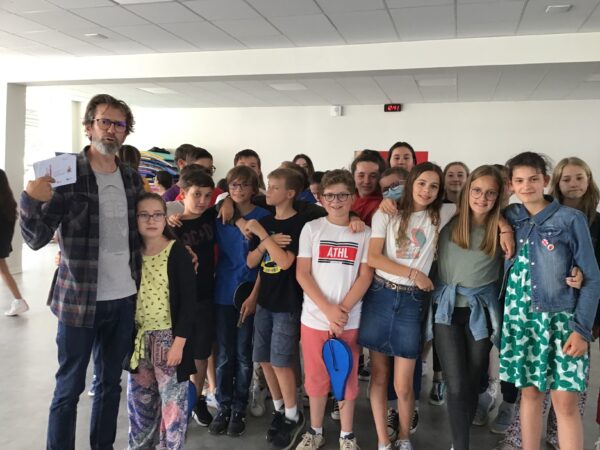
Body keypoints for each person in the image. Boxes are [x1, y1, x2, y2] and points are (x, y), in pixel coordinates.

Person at [20, 94, 143, 450]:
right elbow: (36, 239)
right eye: (105, 121)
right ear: (89, 127)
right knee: (69, 388)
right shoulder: (64, 174)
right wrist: (30, 199)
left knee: (109, 385)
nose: (111, 130)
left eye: (119, 124)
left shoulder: (132, 179)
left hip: (123, 299)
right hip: (78, 301)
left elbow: (143, 233)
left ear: (126, 133)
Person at [495, 156, 600, 450]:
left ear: (545, 180)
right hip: (521, 321)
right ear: (511, 185)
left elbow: (593, 278)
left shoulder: (570, 219)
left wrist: (581, 330)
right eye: (519, 180)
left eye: (533, 179)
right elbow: (477, 206)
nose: (526, 186)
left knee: (565, 403)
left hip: (561, 323)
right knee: (530, 396)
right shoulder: (511, 215)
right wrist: (503, 226)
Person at [359, 162, 456, 450]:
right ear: (411, 182)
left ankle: (403, 437)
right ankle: (383, 440)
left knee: (403, 384)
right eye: (422, 183)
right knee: (379, 375)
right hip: (381, 295)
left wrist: (504, 228)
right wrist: (414, 273)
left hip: (412, 302)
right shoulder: (386, 213)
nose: (427, 190)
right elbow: (374, 257)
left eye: (434, 186)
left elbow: (480, 208)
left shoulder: (441, 213)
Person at [430, 165, 512, 450]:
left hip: (481, 313)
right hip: (447, 311)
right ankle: (460, 445)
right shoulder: (446, 216)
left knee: (472, 380)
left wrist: (504, 225)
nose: (482, 198)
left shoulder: (503, 227)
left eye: (490, 193)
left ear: (499, 197)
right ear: (466, 191)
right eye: (476, 190)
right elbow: (410, 204)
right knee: (455, 384)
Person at [295, 169, 373, 450]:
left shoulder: (365, 233)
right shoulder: (312, 229)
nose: (336, 201)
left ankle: (347, 435)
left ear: (352, 197)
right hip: (315, 319)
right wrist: (328, 310)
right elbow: (303, 273)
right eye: (329, 196)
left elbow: (365, 275)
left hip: (349, 320)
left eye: (342, 195)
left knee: (347, 378)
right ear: (321, 198)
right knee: (316, 378)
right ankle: (314, 431)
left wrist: (342, 311)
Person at [127, 192, 196, 450]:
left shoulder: (176, 252)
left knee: (173, 409)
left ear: (165, 218)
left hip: (168, 339)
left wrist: (179, 343)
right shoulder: (132, 253)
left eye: (157, 214)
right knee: (140, 405)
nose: (151, 220)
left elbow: (189, 302)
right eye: (144, 215)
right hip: (139, 340)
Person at [245, 168, 309, 449]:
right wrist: (266, 242)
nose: (267, 191)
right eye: (268, 186)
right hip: (265, 302)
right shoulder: (266, 221)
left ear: (290, 193)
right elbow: (251, 262)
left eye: (274, 187)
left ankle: (294, 415)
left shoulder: (300, 225)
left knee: (282, 361)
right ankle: (280, 409)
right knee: (264, 359)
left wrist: (263, 235)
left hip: (287, 303)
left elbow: (284, 262)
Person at [209, 165, 271, 437]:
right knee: (224, 355)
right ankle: (223, 406)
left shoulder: (264, 218)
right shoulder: (221, 214)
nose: (239, 190)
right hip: (223, 292)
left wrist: (255, 296)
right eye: (234, 185)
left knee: (245, 355)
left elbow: (268, 264)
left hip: (250, 291)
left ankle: (239, 407)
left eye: (244, 185)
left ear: (254, 188)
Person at [170, 169, 219, 427]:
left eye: (207, 195)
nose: (202, 200)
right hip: (178, 302)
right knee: (178, 354)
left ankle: (196, 399)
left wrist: (227, 203)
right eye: (196, 194)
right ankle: (175, 403)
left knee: (201, 353)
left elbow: (230, 201)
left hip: (205, 297)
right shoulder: (172, 227)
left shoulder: (212, 216)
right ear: (183, 194)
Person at [1, 169, 28, 316]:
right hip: (3, 243)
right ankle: (19, 301)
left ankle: (19, 301)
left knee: (4, 271)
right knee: (4, 271)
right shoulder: (8, 204)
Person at [351, 150, 386, 227]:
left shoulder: (384, 203)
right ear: (353, 176)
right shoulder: (345, 198)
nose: (366, 181)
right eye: (361, 175)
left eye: (373, 176)